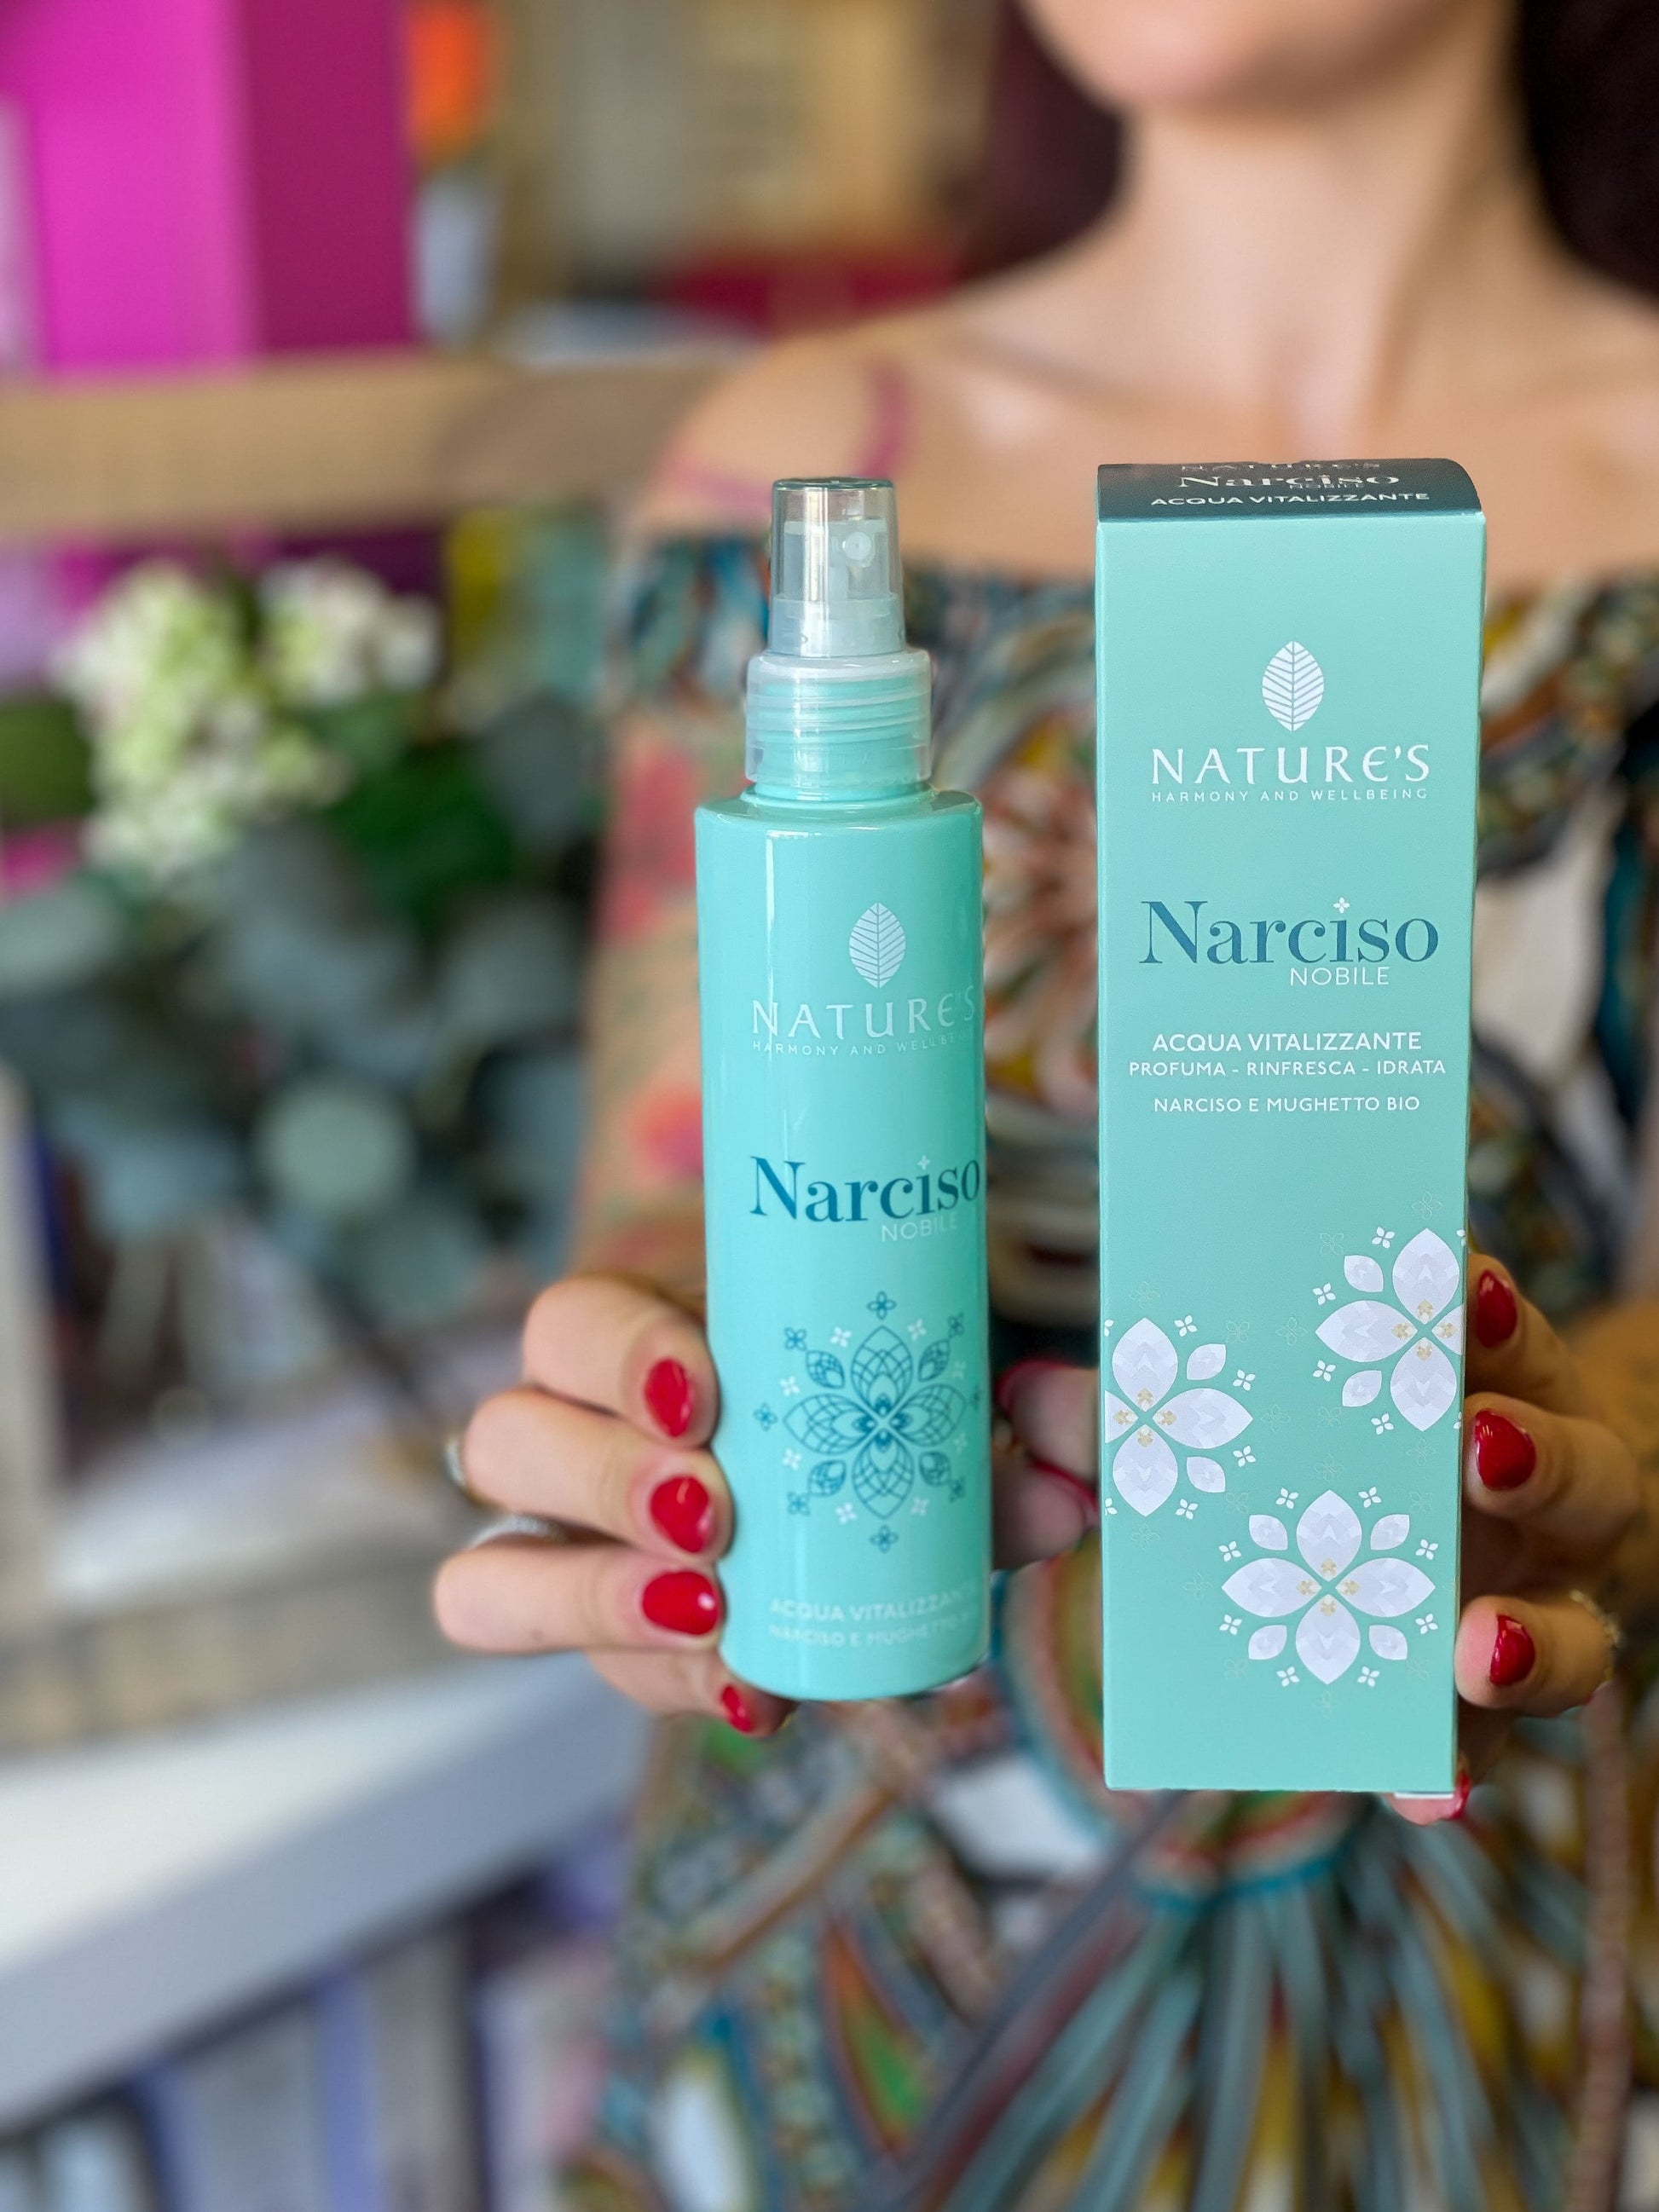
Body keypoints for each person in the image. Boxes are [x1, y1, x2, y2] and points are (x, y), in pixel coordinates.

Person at [436, 0, 1659, 2202]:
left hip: (1507, 1892)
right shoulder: (802, 453)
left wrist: (1579, 1455)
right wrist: (630, 1404)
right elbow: (674, 1196)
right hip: (854, 1917)